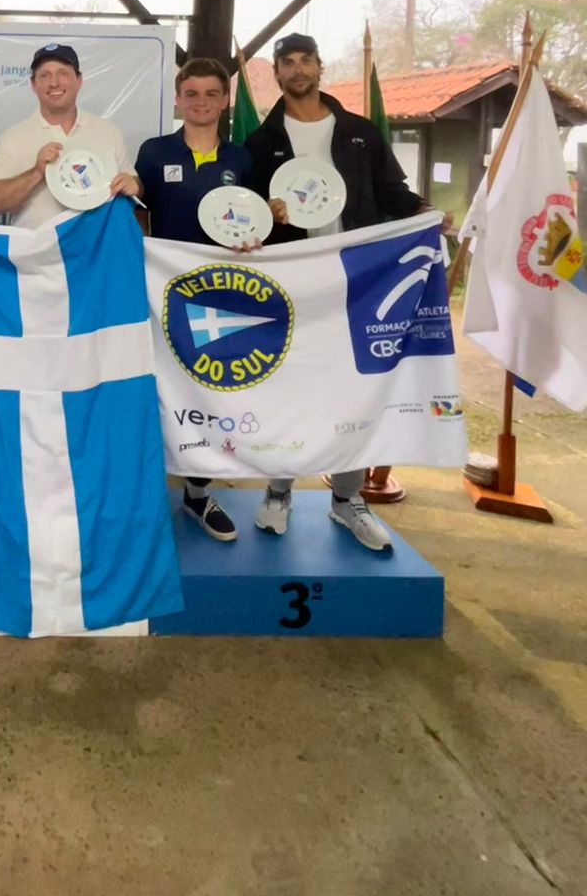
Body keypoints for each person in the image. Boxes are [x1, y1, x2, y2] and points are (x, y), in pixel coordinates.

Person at [244, 31, 436, 551]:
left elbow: (392, 192)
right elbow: (247, 212)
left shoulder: (359, 133)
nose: (297, 69)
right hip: (292, 282)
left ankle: (348, 499)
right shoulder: (259, 142)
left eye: (305, 60)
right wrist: (266, 213)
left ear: (319, 66)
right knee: (288, 385)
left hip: (360, 280)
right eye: (287, 62)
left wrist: (425, 214)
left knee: (357, 388)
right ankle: (279, 490)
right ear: (277, 73)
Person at [135, 56, 253, 544]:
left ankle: (198, 494)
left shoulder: (243, 159)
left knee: (208, 393)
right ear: (178, 100)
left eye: (211, 94)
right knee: (156, 389)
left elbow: (256, 222)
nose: (201, 102)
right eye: (192, 93)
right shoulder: (154, 151)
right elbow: (138, 212)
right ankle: (143, 493)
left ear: (225, 101)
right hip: (163, 294)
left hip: (223, 298)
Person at [0, 43, 140, 227]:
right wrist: (37, 173)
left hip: (96, 244)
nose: (54, 82)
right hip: (37, 245)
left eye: (63, 73)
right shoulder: (13, 138)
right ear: (33, 84)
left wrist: (133, 185)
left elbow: (134, 185)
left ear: (79, 80)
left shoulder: (108, 132)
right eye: (44, 75)